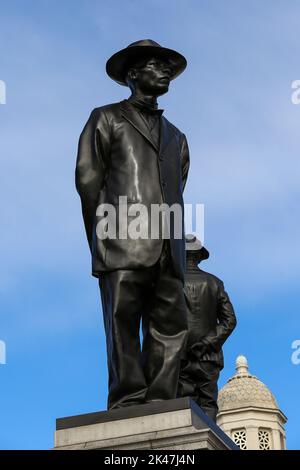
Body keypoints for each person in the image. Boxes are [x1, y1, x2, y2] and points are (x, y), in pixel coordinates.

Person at [76, 40, 190, 409]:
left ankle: (161, 402)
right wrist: (102, 236)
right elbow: (88, 179)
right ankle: (127, 400)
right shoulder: (105, 117)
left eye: (167, 67)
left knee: (170, 328)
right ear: (133, 75)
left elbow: (176, 186)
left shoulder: (177, 137)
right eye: (155, 65)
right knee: (122, 322)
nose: (164, 71)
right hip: (121, 239)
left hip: (167, 247)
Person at [177, 235, 237, 421]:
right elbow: (230, 320)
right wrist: (206, 343)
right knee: (208, 403)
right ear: (198, 257)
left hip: (180, 355)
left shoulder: (171, 283)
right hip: (208, 356)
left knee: (183, 403)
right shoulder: (215, 283)